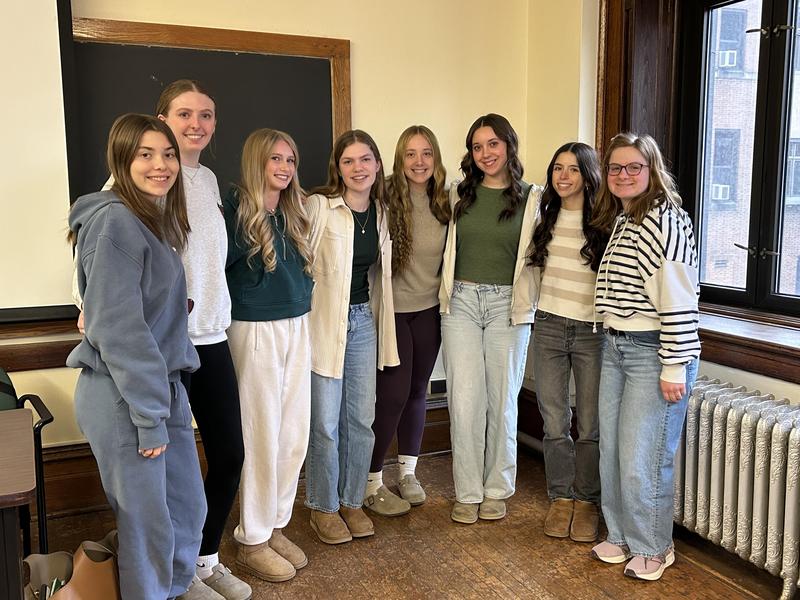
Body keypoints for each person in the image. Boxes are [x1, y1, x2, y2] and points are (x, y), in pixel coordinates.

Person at [67, 113, 205, 600]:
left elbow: (136, 308)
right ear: (122, 160)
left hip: (161, 389)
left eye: (167, 154)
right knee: (148, 528)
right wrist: (149, 417)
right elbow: (120, 331)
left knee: (187, 510)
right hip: (124, 396)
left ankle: (174, 588)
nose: (160, 165)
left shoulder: (152, 219)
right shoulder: (116, 223)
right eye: (145, 154)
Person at [590, 132, 700, 581]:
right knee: (614, 453)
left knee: (645, 458)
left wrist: (673, 365)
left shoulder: (664, 220)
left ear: (652, 170)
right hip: (617, 345)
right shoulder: (627, 217)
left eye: (634, 166)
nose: (623, 174)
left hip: (653, 352)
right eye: (615, 167)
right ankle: (621, 536)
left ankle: (654, 547)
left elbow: (679, 298)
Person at [155, 80, 249, 600]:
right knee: (175, 469)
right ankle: (178, 573)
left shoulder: (208, 179)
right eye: (185, 113)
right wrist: (85, 304)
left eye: (206, 115)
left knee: (230, 454)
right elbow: (98, 241)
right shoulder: (145, 175)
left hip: (212, 335)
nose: (197, 124)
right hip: (168, 342)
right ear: (162, 119)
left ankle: (205, 559)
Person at [439, 113, 541, 524]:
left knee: (502, 402)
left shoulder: (534, 198)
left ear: (509, 145)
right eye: (477, 147)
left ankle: (497, 489)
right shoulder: (456, 194)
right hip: (461, 303)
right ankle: (467, 491)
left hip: (508, 306)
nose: (485, 153)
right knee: (464, 402)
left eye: (493, 144)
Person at [223, 129, 313, 583]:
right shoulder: (234, 211)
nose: (284, 167)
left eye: (290, 160)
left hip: (298, 324)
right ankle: (252, 538)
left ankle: (276, 525)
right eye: (275, 158)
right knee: (261, 434)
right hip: (255, 328)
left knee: (293, 434)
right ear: (257, 161)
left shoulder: (293, 212)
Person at [304, 129, 399, 544]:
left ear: (377, 165)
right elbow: (299, 262)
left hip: (363, 322)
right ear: (338, 169)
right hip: (324, 323)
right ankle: (323, 507)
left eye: (365, 159)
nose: (357, 168)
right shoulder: (320, 207)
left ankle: (352, 500)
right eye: (348, 161)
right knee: (325, 422)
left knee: (361, 420)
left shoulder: (381, 213)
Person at [363, 125, 449, 516]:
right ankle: (371, 481)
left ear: (436, 158)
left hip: (429, 310)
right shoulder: (382, 195)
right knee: (393, 395)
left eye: (426, 153)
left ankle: (409, 473)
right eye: (411, 154)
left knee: (418, 391)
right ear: (399, 159)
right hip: (392, 311)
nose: (419, 161)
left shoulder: (446, 200)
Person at [527, 142, 607, 542]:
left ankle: (587, 501)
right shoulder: (542, 218)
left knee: (589, 423)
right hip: (548, 327)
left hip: (592, 332)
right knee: (555, 420)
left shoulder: (606, 224)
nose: (563, 176)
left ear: (588, 175)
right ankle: (560, 497)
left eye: (573, 169)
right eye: (558, 168)